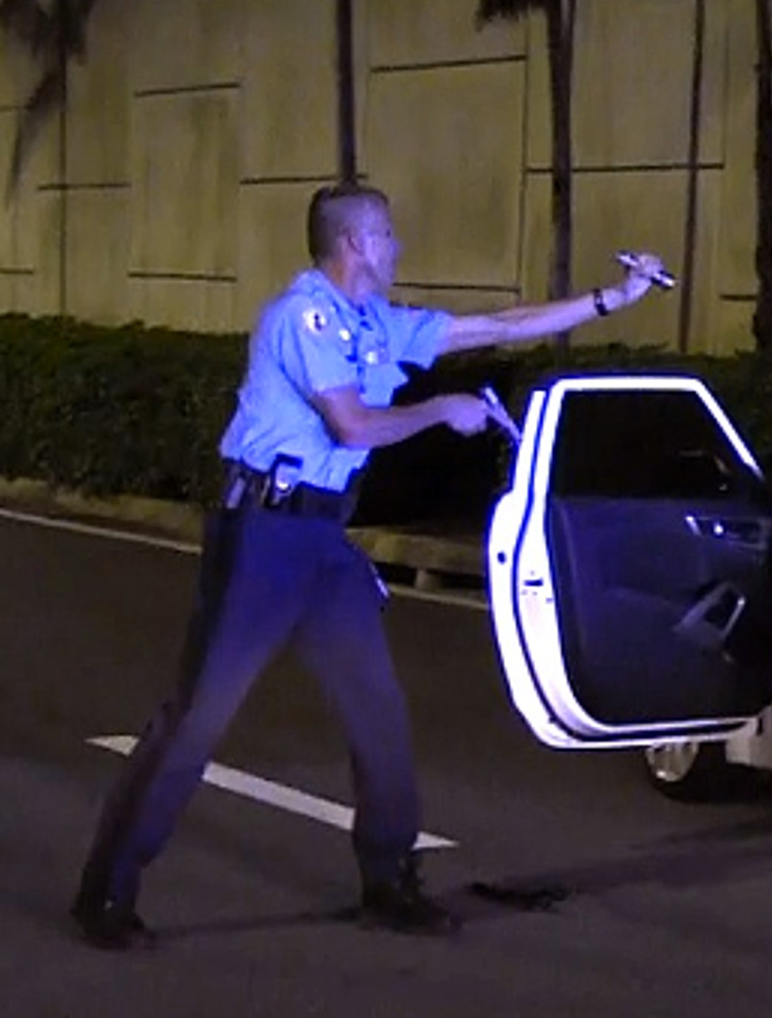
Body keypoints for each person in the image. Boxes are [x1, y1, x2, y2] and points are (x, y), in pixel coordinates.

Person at [69, 182, 671, 950]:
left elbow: (499, 326)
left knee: (378, 713)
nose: (398, 246)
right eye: (387, 235)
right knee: (197, 719)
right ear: (353, 243)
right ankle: (106, 893)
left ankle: (388, 881)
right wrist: (440, 411)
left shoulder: (377, 324)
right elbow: (351, 426)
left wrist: (611, 298)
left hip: (323, 542)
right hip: (263, 534)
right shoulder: (305, 316)